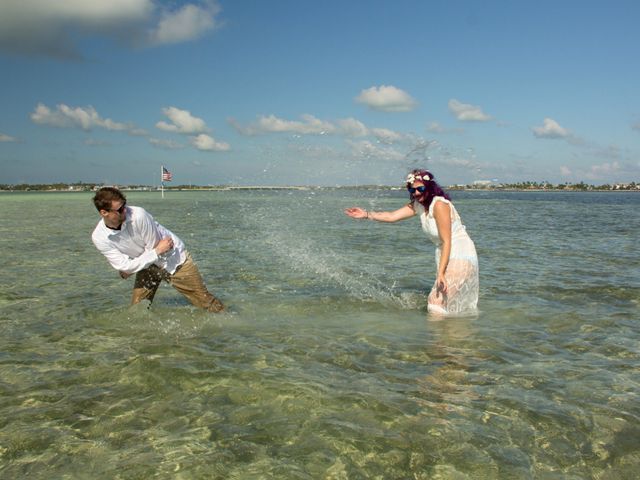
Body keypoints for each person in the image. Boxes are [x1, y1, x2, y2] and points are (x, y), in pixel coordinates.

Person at [345, 169, 478, 316]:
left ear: (429, 187)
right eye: (412, 189)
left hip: (460, 253)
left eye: (420, 188)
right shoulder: (419, 205)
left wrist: (440, 273)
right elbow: (392, 216)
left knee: (435, 303)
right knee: (441, 304)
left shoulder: (439, 205)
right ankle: (451, 336)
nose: (416, 193)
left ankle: (438, 338)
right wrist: (366, 214)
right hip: (445, 253)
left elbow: (447, 241)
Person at [91, 187, 224, 312]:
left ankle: (233, 324)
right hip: (147, 265)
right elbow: (133, 261)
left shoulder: (138, 215)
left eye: (124, 205)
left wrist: (131, 268)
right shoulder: (99, 237)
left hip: (174, 260)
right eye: (120, 209)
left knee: (207, 303)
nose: (125, 210)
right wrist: (131, 267)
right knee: (137, 311)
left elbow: (156, 248)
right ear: (104, 213)